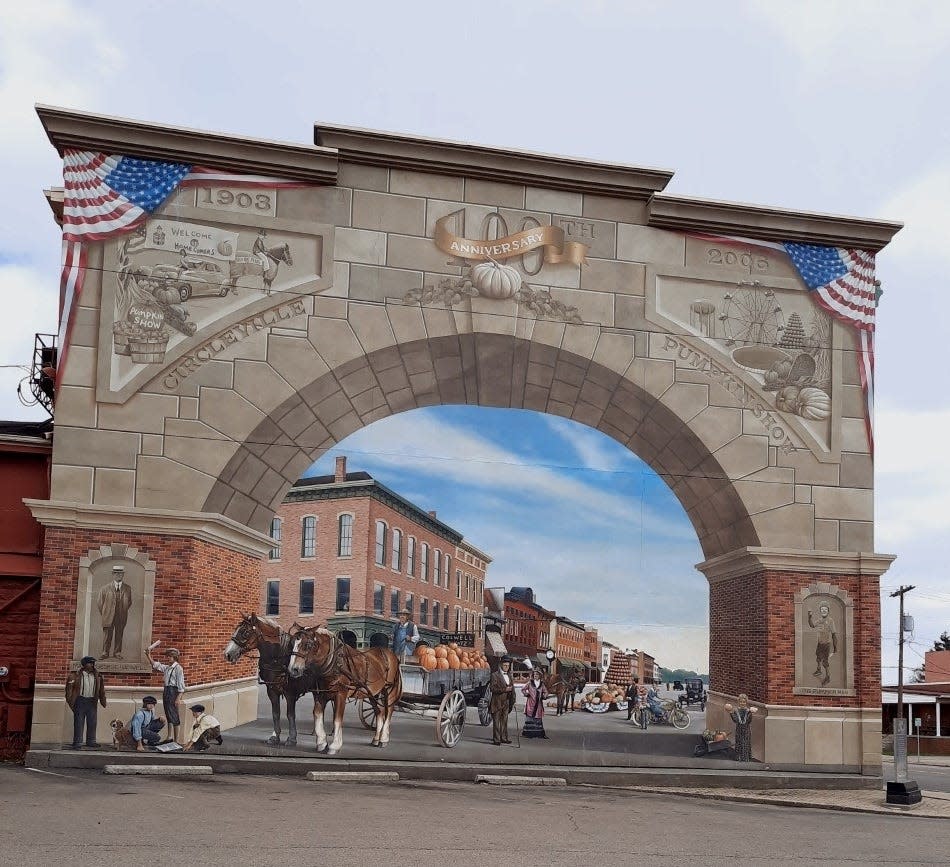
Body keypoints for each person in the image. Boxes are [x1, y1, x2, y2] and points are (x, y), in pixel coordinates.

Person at [65, 656, 106, 749]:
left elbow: (101, 690)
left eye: (93, 663)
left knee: (92, 722)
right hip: (80, 700)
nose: (92, 665)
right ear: (84, 664)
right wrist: (71, 702)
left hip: (92, 701)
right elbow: (69, 691)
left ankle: (91, 741)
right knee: (79, 722)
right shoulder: (75, 675)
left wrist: (103, 700)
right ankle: (77, 742)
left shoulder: (98, 676)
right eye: (90, 663)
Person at [147, 646, 186, 744]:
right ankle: (169, 737)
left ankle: (176, 740)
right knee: (168, 715)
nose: (168, 658)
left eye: (170, 656)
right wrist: (148, 655)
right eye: (168, 656)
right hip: (166, 691)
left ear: (175, 657)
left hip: (173, 692)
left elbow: (181, 686)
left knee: (174, 716)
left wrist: (178, 699)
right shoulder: (168, 668)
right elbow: (156, 665)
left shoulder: (178, 668)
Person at [97, 564, 133, 659]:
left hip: (121, 616)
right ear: (113, 574)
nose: (118, 575)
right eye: (116, 573)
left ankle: (117, 653)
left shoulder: (127, 588)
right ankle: (105, 652)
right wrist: (106, 613)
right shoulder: (105, 588)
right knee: (107, 635)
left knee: (119, 634)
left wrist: (122, 611)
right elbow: (100, 604)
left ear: (123, 575)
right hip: (108, 616)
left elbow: (129, 602)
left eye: (121, 574)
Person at [808, 602, 838, 686]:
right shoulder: (820, 620)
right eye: (822, 609)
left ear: (828, 611)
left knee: (825, 662)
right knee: (818, 658)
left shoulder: (830, 620)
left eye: (825, 609)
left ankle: (828, 677)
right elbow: (812, 625)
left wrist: (835, 649)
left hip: (826, 645)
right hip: (820, 644)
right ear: (820, 611)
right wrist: (809, 617)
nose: (823, 611)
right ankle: (819, 670)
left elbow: (834, 634)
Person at [489, 657, 516, 745]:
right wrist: (504, 689)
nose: (506, 667)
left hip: (507, 702)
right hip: (497, 701)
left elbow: (513, 689)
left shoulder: (509, 676)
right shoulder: (495, 675)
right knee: (496, 721)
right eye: (505, 665)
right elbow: (492, 688)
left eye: (508, 666)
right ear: (501, 665)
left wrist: (513, 700)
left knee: (504, 721)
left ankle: (504, 738)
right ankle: (496, 740)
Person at [521, 668, 549, 739]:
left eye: (537, 674)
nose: (535, 675)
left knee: (538, 717)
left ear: (540, 675)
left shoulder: (542, 684)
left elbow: (546, 691)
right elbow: (523, 689)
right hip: (531, 703)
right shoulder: (530, 683)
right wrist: (527, 694)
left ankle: (539, 734)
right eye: (534, 674)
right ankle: (528, 733)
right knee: (530, 717)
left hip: (538, 703)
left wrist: (544, 696)